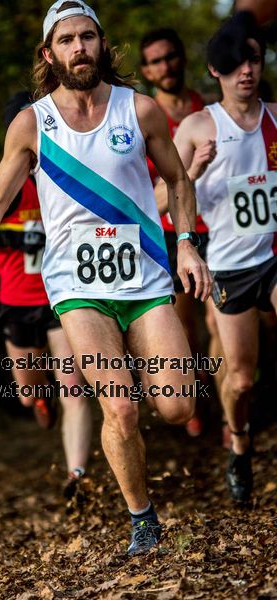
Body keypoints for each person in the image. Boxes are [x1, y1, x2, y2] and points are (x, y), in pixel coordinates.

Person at [0, 0, 212, 555]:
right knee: (120, 407)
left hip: (146, 278)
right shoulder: (34, 122)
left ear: (102, 45)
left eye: (87, 36)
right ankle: (142, 518)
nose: (79, 47)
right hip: (76, 288)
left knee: (178, 406)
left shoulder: (141, 110)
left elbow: (178, 181)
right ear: (48, 52)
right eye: (66, 39)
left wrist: (186, 246)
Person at [0, 92, 93, 497]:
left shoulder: (68, 175)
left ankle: (77, 476)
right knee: (27, 391)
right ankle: (39, 402)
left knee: (75, 390)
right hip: (17, 304)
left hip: (61, 298)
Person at [168, 20, 277, 503]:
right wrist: (193, 169)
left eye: (253, 62)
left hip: (274, 255)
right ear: (216, 71)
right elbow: (159, 196)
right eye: (234, 66)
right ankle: (239, 440)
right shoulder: (198, 126)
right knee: (240, 378)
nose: (246, 73)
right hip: (230, 267)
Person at [140, 28, 223, 438]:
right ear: (145, 69)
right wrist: (191, 172)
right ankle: (194, 396)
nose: (165, 66)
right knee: (185, 324)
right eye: (155, 60)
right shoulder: (142, 120)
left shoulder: (208, 107)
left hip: (221, 228)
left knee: (223, 317)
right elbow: (148, 198)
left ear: (181, 58)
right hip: (171, 235)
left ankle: (231, 401)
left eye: (170, 56)